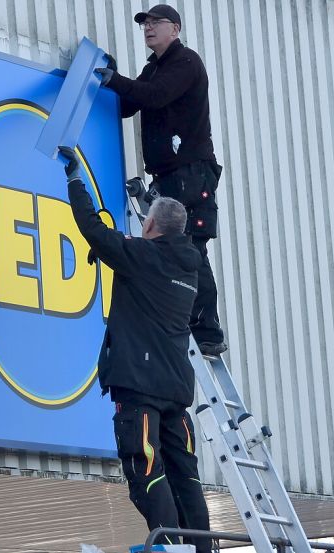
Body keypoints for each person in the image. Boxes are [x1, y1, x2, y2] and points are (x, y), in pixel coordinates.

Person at [60, 146, 212, 553]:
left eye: (145, 221)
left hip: (141, 388)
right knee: (186, 475)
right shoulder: (187, 266)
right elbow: (145, 247)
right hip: (175, 393)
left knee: (144, 470)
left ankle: (169, 546)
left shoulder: (143, 257)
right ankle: (200, 547)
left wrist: (75, 178)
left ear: (151, 228)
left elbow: (93, 229)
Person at [96, 4, 227, 356]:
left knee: (192, 248)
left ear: (176, 28)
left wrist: (115, 80)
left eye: (157, 23)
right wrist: (111, 80)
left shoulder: (185, 63)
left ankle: (208, 332)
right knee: (170, 248)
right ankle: (184, 318)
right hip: (169, 177)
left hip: (191, 173)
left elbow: (153, 97)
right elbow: (129, 105)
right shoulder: (153, 69)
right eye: (145, 24)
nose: (149, 28)